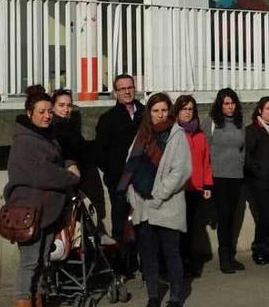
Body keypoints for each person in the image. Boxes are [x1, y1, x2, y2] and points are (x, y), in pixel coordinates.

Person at [4, 85, 81, 307]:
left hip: (47, 211)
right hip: (29, 212)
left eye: (49, 111)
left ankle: (38, 300)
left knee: (42, 261)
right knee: (29, 263)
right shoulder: (25, 140)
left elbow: (56, 161)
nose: (47, 116)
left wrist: (69, 163)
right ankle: (25, 301)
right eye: (42, 112)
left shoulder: (47, 135)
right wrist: (70, 176)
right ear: (30, 113)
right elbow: (44, 174)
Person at [119, 92, 192, 307]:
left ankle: (176, 297)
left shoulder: (177, 135)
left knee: (171, 253)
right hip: (143, 205)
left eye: (163, 110)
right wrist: (133, 196)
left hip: (167, 204)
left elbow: (180, 172)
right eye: (155, 111)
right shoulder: (141, 135)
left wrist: (157, 195)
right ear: (149, 113)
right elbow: (130, 167)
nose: (160, 115)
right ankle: (153, 295)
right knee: (149, 255)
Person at [95, 73, 144, 272]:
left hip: (144, 179)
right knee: (120, 223)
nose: (127, 91)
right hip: (119, 181)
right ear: (115, 92)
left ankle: (145, 263)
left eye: (129, 87)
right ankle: (122, 267)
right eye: (122, 88)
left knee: (144, 222)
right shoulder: (108, 119)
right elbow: (100, 153)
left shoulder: (145, 113)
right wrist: (114, 174)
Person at [201, 87, 248, 274]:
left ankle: (230, 256)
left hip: (236, 177)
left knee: (232, 217)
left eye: (232, 103)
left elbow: (242, 149)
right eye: (226, 103)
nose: (230, 107)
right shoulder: (210, 122)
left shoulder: (240, 122)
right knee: (224, 217)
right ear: (220, 105)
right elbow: (204, 151)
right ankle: (224, 258)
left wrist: (240, 163)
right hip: (218, 177)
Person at [50, 89, 107, 238]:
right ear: (53, 106)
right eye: (61, 105)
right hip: (70, 182)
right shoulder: (56, 128)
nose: (66, 109)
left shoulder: (70, 127)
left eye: (69, 105)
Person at [174, 94, 213, 278]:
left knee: (193, 228)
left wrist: (207, 185)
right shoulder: (174, 132)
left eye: (190, 109)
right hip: (178, 188)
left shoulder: (199, 134)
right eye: (184, 109)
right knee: (179, 229)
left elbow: (206, 161)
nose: (187, 113)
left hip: (196, 188)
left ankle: (190, 262)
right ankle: (178, 263)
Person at [244, 96, 269, 266]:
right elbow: (247, 157)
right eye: (267, 108)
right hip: (259, 182)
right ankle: (258, 249)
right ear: (260, 110)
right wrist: (257, 171)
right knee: (266, 216)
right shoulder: (253, 130)